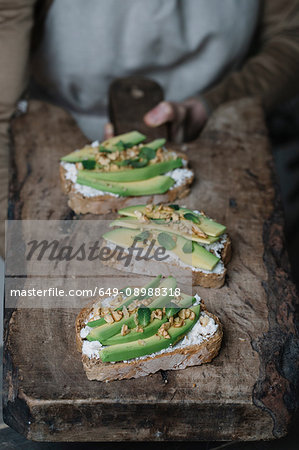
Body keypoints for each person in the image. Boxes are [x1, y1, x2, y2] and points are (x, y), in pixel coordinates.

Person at [0, 0, 299, 259]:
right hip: (52, 139)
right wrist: (12, 241)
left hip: (224, 136)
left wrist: (210, 106)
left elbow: (291, 37)